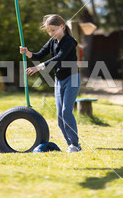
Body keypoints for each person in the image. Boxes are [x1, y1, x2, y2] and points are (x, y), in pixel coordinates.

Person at [20, 14, 82, 152]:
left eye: (53, 30)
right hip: (59, 80)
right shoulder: (52, 41)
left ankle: (75, 144)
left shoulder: (69, 41)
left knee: (66, 111)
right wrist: (28, 53)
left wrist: (38, 67)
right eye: (49, 31)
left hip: (72, 78)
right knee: (60, 116)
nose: (51, 33)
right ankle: (70, 145)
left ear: (62, 27)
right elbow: (39, 54)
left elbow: (59, 58)